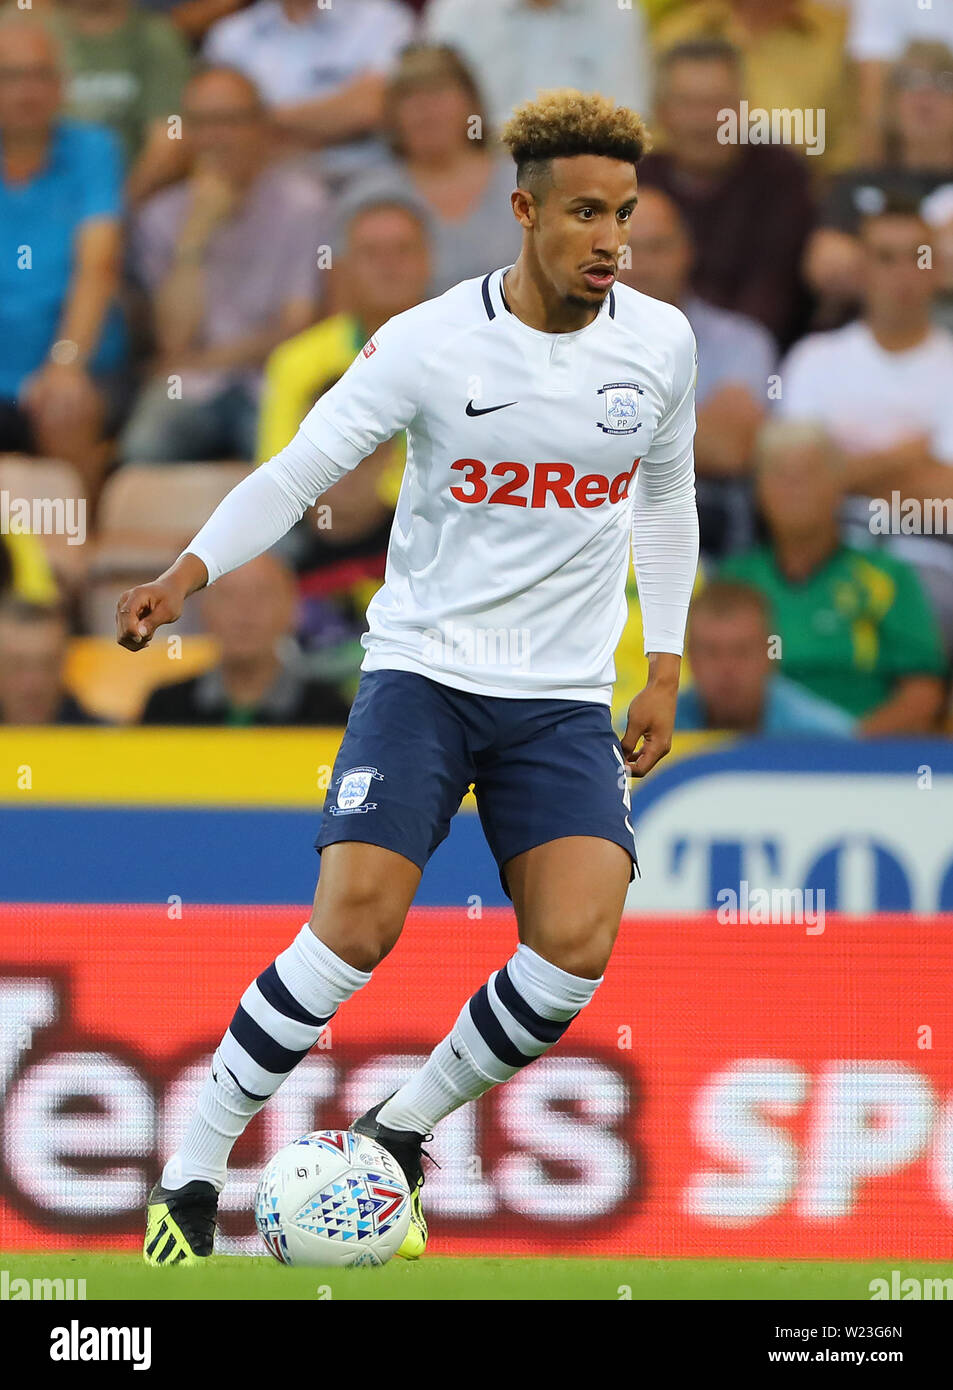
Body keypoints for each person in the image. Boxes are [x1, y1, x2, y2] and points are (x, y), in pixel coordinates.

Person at [116, 89, 699, 1265]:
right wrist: (185, 572)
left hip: (562, 695)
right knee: (355, 927)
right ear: (524, 210)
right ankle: (191, 1163)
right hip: (423, 672)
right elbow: (297, 470)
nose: (608, 239)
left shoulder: (659, 345)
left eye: (624, 215)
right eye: (585, 212)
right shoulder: (431, 343)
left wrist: (664, 664)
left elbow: (665, 496)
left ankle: (397, 1129)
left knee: (576, 944)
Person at [258, 192, 433, 695]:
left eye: (402, 250)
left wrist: (367, 497)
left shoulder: (472, 353)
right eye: (371, 253)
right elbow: (285, 481)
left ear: (428, 261)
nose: (388, 267)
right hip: (325, 546)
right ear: (343, 267)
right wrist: (366, 498)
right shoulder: (295, 362)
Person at [119, 67, 328, 465]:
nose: (217, 137)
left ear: (260, 126)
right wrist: (196, 235)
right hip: (190, 387)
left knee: (290, 468)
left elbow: (296, 327)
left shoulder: (304, 205)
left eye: (231, 121)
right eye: (203, 123)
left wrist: (207, 360)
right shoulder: (162, 216)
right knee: (142, 449)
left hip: (272, 382)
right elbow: (174, 340)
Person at [778, 198, 953, 648]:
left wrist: (842, 469)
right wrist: (909, 456)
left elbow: (947, 498)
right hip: (822, 557)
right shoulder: (813, 360)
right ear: (861, 272)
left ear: (936, 270)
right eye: (885, 257)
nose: (902, 273)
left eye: (918, 256)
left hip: (933, 561)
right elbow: (791, 483)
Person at [720, 421, 947, 733]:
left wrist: (844, 755)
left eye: (807, 473)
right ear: (759, 490)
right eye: (780, 474)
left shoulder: (887, 577)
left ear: (840, 484)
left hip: (861, 762)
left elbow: (924, 692)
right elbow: (706, 686)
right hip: (752, 760)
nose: (794, 487)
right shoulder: (734, 580)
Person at [0, 15, 126, 503]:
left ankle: (75, 557)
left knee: (65, 406)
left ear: (62, 85)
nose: (27, 92)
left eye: (40, 76)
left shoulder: (93, 149)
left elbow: (98, 267)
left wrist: (65, 361)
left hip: (76, 356)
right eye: (11, 77)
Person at [618, 184, 776, 556]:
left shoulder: (741, 342)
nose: (639, 265)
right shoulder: (564, 337)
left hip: (706, 549)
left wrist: (598, 419)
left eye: (656, 248)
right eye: (625, 250)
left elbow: (729, 449)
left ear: (687, 253)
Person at [638, 37, 815, 345]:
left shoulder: (780, 176)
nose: (704, 122)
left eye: (718, 105)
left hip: (754, 353)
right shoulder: (636, 180)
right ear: (662, 113)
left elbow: (774, 295)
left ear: (745, 111)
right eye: (688, 104)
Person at [348, 44, 521, 296]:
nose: (425, 110)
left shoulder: (524, 183)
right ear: (391, 114)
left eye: (438, 93)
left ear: (472, 104)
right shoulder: (365, 198)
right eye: (409, 97)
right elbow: (347, 313)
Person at [805, 41, 953, 327]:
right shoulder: (855, 183)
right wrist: (936, 250)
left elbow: (849, 265)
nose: (924, 95)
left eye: (943, 83)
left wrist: (875, 257)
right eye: (910, 82)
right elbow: (826, 268)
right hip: (861, 341)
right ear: (891, 102)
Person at [201, 0, 414, 191]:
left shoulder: (383, 20)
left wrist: (255, 123)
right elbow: (217, 125)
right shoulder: (231, 35)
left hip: (363, 184)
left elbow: (370, 108)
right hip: (261, 189)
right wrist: (334, 123)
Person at [140, 552, 350, 725]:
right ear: (204, 610)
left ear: (292, 610)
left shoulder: (328, 712)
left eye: (262, 595)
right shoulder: (167, 709)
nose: (244, 612)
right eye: (228, 596)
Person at [652, 0, 855, 169]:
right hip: (682, 199)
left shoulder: (840, 35)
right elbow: (653, 140)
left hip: (804, 201)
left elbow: (848, 149)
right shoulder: (677, 32)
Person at [424, 0, 652, 142]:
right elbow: (434, 108)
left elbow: (626, 116)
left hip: (581, 165)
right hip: (479, 162)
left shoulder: (617, 11)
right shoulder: (455, 9)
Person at [44, 0, 192, 202]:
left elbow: (170, 136)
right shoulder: (36, 34)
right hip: (42, 199)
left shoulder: (157, 38)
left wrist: (115, 207)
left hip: (131, 197)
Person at [676, 580, 856, 735]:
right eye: (711, 652)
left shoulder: (827, 739)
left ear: (771, 654)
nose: (727, 668)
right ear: (690, 657)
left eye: (742, 651)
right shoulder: (657, 732)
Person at [0, 601, 101, 725]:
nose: (33, 685)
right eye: (17, 666)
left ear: (65, 666)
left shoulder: (106, 738)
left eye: (47, 666)